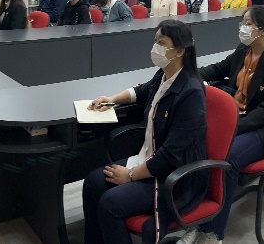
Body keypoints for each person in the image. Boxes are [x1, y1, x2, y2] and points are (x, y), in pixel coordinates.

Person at [83, 20, 206, 244]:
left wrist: (130, 175)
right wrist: (111, 99)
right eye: (155, 41)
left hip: (172, 176)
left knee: (110, 204)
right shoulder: (164, 75)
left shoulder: (191, 93)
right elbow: (142, 90)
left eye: (162, 43)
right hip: (150, 159)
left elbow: (171, 155)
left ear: (179, 51)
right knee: (92, 182)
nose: (155, 47)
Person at [195, 6, 264, 241]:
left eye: (248, 23)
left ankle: (212, 231)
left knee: (227, 159)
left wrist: (236, 127)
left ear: (263, 30)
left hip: (261, 128)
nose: (243, 28)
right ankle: (196, 216)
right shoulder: (243, 50)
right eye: (243, 22)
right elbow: (217, 69)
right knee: (198, 144)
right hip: (235, 118)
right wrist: (190, 74)